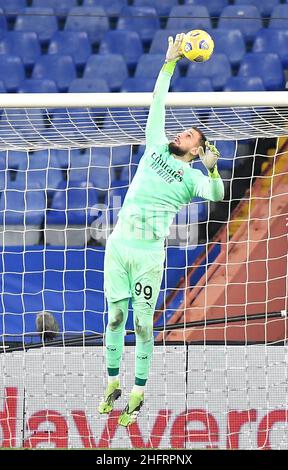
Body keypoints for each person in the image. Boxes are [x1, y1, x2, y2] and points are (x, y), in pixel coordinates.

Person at [98, 34, 224, 427]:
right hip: (119, 245)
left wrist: (213, 167)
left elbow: (216, 193)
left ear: (195, 151)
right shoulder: (154, 146)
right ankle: (112, 383)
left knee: (142, 324)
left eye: (188, 136)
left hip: (149, 254)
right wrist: (168, 62)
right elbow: (157, 103)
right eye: (181, 131)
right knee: (115, 319)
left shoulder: (191, 178)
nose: (179, 134)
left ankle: (137, 392)